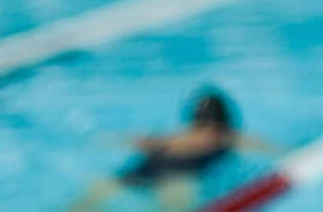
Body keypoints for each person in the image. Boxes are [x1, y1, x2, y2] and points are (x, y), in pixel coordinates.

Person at [65, 89, 279, 212]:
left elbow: (136, 141)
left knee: (88, 201)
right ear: (225, 120)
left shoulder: (177, 134)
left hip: (146, 166)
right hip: (177, 176)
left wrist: (104, 140)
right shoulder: (227, 136)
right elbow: (273, 152)